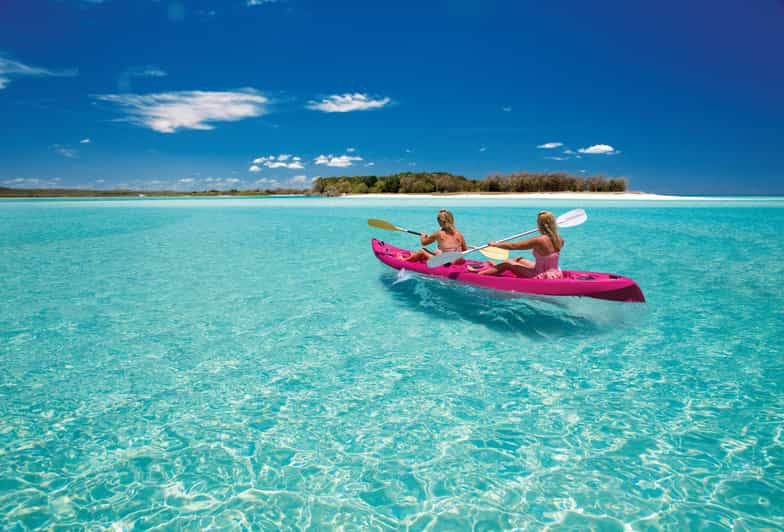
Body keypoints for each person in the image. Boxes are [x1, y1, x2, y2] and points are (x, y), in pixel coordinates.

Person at [472, 211, 563, 279]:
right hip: (555, 272)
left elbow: (514, 246)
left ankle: (480, 275)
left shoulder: (539, 240)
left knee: (507, 264)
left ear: (539, 224)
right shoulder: (560, 239)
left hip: (541, 275)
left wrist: (496, 245)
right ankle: (494, 267)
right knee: (519, 259)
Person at [399, 209, 467, 263]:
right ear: (452, 220)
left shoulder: (439, 233)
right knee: (437, 251)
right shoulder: (458, 233)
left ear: (440, 222)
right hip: (459, 260)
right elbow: (464, 249)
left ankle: (403, 260)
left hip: (446, 262)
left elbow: (424, 243)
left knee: (422, 251)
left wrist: (423, 236)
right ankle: (417, 256)